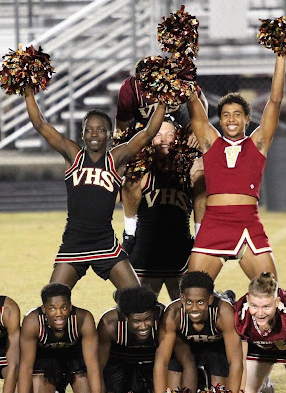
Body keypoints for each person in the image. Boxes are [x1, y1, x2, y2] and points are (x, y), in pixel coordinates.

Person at [25, 88, 166, 290]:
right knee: (54, 297)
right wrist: (28, 93)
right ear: (82, 133)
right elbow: (40, 124)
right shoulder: (73, 155)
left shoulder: (116, 159)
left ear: (109, 135)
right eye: (89, 129)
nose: (94, 134)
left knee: (137, 298)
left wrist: (162, 102)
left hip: (105, 243)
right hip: (74, 242)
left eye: (101, 130)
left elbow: (148, 133)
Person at [186, 54, 286, 281]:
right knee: (193, 293)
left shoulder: (258, 143)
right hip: (214, 224)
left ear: (247, 120)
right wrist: (182, 55)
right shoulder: (210, 143)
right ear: (220, 121)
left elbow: (276, 101)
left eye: (237, 115)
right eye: (226, 115)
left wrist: (281, 55)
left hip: (247, 223)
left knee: (269, 291)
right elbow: (193, 102)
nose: (231, 119)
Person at [115, 70, 208, 255]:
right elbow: (121, 126)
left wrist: (195, 132)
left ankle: (200, 236)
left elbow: (200, 105)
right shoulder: (131, 88)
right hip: (145, 144)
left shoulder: (180, 84)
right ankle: (130, 232)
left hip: (179, 145)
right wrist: (126, 154)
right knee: (131, 175)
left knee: (201, 175)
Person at [124, 117, 204, 300]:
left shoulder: (191, 167)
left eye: (169, 135)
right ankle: (129, 233)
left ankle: (202, 235)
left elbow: (207, 187)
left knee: (185, 309)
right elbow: (125, 189)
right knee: (141, 308)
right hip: (146, 249)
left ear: (178, 138)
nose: (163, 140)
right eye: (158, 135)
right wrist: (129, 233)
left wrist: (201, 147)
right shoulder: (141, 170)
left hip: (180, 249)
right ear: (150, 138)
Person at [153, 271, 243, 393]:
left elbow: (235, 361)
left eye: (200, 302)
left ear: (210, 299)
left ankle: (227, 295)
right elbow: (162, 360)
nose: (194, 308)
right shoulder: (173, 313)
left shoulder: (223, 312)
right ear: (182, 298)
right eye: (189, 302)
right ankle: (199, 379)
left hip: (216, 347)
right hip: (187, 348)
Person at [18, 283, 102, 393]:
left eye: (64, 307)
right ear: (44, 308)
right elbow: (26, 367)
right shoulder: (33, 322)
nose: (59, 314)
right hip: (45, 361)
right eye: (52, 309)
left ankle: (60, 391)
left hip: (73, 360)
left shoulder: (83, 319)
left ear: (70, 306)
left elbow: (93, 366)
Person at [97, 286, 163, 393]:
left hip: (155, 364)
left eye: (147, 319)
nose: (143, 327)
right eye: (137, 321)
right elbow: (99, 367)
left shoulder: (164, 318)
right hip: (121, 365)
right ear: (126, 318)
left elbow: (166, 362)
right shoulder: (109, 324)